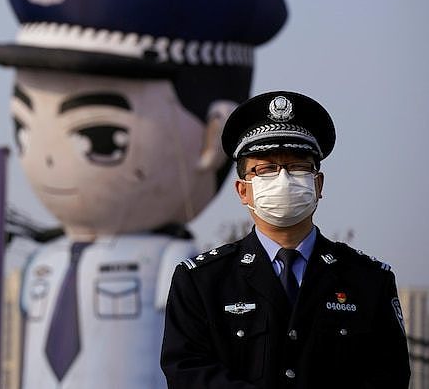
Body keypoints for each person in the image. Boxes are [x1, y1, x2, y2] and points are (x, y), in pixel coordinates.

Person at [0, 0, 288, 388]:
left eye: (100, 138)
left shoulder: (180, 268)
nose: (48, 159)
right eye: (25, 129)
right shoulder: (44, 262)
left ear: (212, 138)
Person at [160, 91, 411, 388]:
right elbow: (187, 372)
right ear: (243, 190)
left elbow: (390, 374)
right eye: (266, 169)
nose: (284, 179)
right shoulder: (202, 281)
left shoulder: (368, 280)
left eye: (298, 166)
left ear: (318, 184)